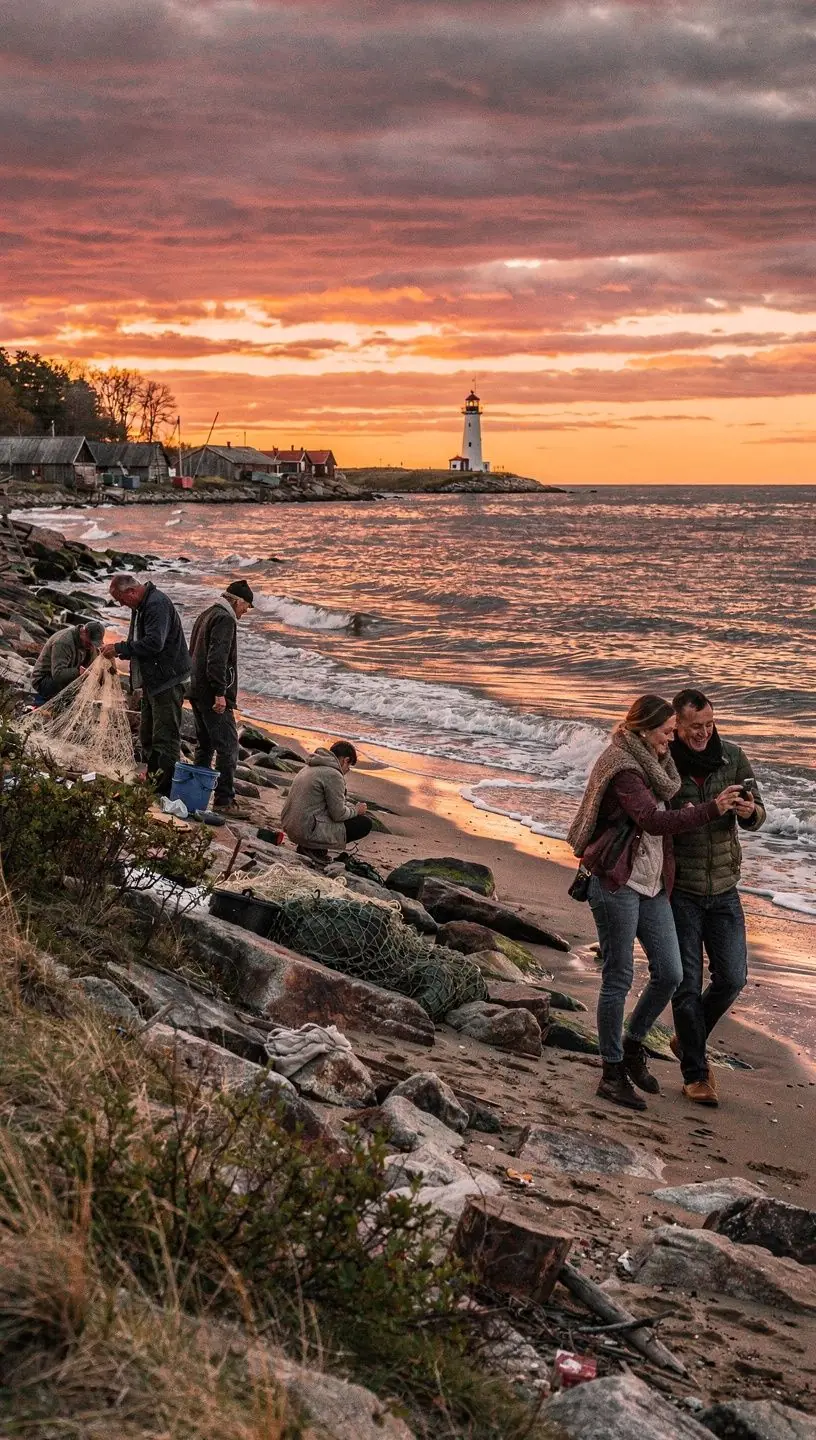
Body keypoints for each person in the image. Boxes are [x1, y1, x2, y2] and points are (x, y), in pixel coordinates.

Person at [567, 695, 743, 1111]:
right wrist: (709, 809)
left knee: (670, 973)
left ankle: (632, 1043)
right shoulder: (624, 767)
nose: (672, 738)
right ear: (643, 730)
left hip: (651, 883)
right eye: (667, 731)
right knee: (618, 977)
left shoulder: (660, 764)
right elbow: (652, 819)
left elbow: (667, 806)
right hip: (615, 880)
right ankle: (611, 1071)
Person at [668, 689, 766, 1106]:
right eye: (695, 727)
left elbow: (760, 813)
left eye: (709, 724)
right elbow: (659, 821)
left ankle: (687, 1038)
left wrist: (748, 813)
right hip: (681, 890)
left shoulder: (733, 756)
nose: (704, 733)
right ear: (677, 725)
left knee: (733, 978)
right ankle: (696, 1073)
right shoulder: (664, 762)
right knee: (686, 983)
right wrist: (710, 806)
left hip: (725, 887)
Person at [102, 574, 191, 798]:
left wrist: (121, 648)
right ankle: (153, 780)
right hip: (153, 681)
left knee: (166, 736)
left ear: (131, 592)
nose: (122, 605)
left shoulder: (156, 604)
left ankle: (163, 790)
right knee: (147, 735)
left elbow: (154, 643)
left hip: (168, 681)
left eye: (121, 600)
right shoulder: (142, 606)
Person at [188, 579, 254, 814]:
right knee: (229, 747)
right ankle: (224, 800)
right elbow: (217, 658)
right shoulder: (225, 619)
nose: (246, 611)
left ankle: (194, 794)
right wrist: (220, 693)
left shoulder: (207, 613)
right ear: (236, 601)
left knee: (205, 745)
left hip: (196, 688)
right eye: (246, 606)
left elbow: (192, 652)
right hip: (210, 693)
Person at [281, 740, 372, 862]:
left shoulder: (310, 766)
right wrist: (356, 810)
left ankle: (311, 846)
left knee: (347, 814)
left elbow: (329, 803)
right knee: (364, 823)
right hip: (305, 831)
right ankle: (314, 848)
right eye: (349, 766)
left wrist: (350, 807)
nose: (348, 770)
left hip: (291, 826)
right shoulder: (333, 774)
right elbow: (338, 814)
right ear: (345, 760)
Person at [31, 620, 105, 701]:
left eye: (94, 644)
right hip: (44, 680)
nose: (91, 646)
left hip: (63, 676)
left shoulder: (88, 644)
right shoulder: (63, 642)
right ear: (83, 631)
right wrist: (78, 672)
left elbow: (93, 663)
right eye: (90, 643)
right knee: (73, 695)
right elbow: (58, 674)